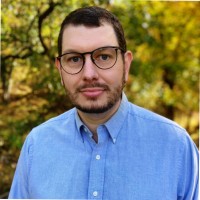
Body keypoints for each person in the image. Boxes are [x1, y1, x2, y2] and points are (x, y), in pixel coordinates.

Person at [9, 6, 199, 199]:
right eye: (74, 59)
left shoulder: (176, 146)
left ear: (126, 65)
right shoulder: (37, 145)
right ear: (60, 70)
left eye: (104, 56)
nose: (89, 74)